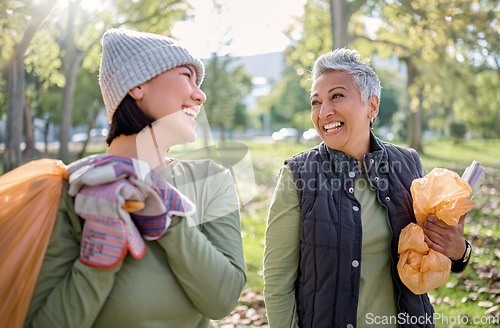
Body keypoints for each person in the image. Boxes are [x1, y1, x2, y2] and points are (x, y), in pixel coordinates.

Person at [24, 28, 246, 328]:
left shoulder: (210, 179)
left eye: (199, 82)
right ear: (137, 85)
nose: (200, 94)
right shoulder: (71, 190)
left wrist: (170, 218)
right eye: (186, 76)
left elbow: (222, 300)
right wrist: (96, 264)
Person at [263, 48, 472, 328]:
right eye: (316, 102)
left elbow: (429, 256)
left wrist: (459, 252)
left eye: (336, 96)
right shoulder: (297, 175)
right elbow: (277, 283)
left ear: (372, 106)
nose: (324, 112)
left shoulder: (408, 164)